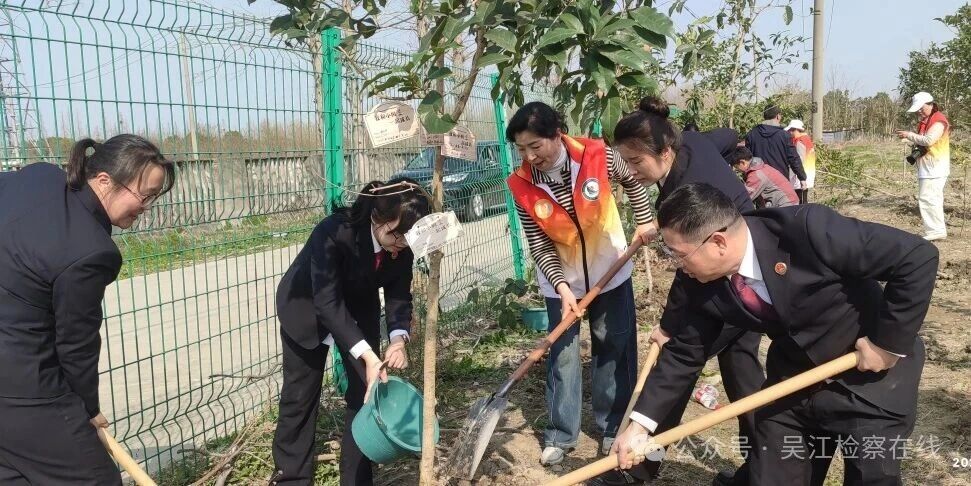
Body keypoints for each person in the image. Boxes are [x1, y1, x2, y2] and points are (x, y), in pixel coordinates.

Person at [613, 183, 937, 486]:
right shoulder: (701, 281)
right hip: (795, 383)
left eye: (678, 254)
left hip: (870, 380)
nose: (677, 266)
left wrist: (887, 343)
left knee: (872, 474)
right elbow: (684, 353)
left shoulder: (805, 231)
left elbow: (916, 257)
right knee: (772, 474)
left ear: (718, 242)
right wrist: (640, 426)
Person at [602, 97, 765, 486]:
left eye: (637, 162)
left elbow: (690, 271)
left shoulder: (689, 183)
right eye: (626, 162)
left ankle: (637, 468)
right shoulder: (692, 141)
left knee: (675, 367)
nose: (633, 171)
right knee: (745, 377)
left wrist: (669, 324)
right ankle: (761, 472)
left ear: (665, 150)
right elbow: (726, 138)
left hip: (733, 269)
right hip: (750, 264)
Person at [0, 135, 175, 484]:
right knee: (94, 478)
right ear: (104, 180)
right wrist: (87, 411)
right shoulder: (93, 252)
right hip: (22, 388)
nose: (146, 208)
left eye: (154, 198)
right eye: (144, 196)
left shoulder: (37, 175)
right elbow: (76, 344)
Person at [504, 101, 656, 467]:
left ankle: (612, 426)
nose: (529, 156)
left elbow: (633, 180)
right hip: (562, 280)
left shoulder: (596, 154)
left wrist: (645, 219)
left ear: (556, 134)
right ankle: (560, 434)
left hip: (611, 267)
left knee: (614, 345)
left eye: (534, 146)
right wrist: (561, 287)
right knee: (563, 356)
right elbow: (538, 242)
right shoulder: (521, 184)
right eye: (521, 149)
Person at [270, 178, 430, 485]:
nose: (401, 246)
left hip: (358, 308)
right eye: (395, 236)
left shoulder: (404, 241)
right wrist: (367, 354)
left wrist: (398, 339)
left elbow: (399, 293)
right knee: (299, 398)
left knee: (366, 392)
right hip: (307, 309)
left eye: (407, 241)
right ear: (377, 217)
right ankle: (291, 479)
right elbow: (327, 302)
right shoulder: (334, 232)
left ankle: (356, 479)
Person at [897, 91, 950, 241]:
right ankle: (936, 230)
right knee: (932, 199)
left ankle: (935, 231)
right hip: (929, 166)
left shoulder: (938, 121)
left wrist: (909, 135)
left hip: (935, 167)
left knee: (928, 199)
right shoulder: (927, 121)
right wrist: (910, 141)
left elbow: (928, 140)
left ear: (931, 104)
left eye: (921, 107)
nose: (919, 111)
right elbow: (923, 142)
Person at [745, 105, 806, 194]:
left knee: (762, 207)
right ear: (778, 116)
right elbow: (793, 158)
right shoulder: (784, 135)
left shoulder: (752, 134)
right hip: (780, 180)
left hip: (759, 181)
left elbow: (747, 158)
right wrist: (802, 178)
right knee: (782, 206)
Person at [730, 146, 798, 208]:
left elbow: (745, 198)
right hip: (791, 201)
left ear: (742, 162)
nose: (736, 169)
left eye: (736, 167)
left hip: (787, 205)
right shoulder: (762, 167)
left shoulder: (756, 175)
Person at [784, 119, 816, 204]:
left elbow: (798, 161)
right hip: (808, 173)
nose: (789, 133)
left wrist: (791, 175)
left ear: (795, 130)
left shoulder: (800, 142)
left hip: (800, 176)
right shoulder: (807, 139)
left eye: (790, 130)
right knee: (804, 199)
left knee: (799, 201)